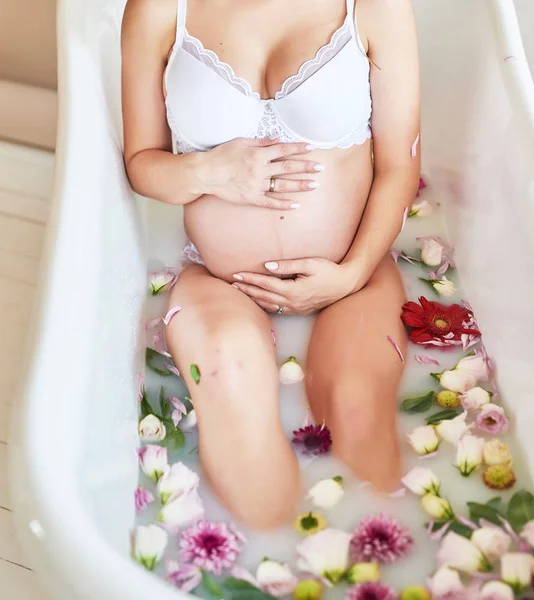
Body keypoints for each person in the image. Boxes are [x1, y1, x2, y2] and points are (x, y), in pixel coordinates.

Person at [121, 0, 420, 529]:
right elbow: (142, 165)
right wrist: (212, 172)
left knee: (357, 409)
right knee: (227, 378)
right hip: (221, 281)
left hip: (354, 275)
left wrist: (350, 272)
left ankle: (381, 561)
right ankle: (273, 555)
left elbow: (399, 166)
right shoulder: (160, 9)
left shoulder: (375, 7)